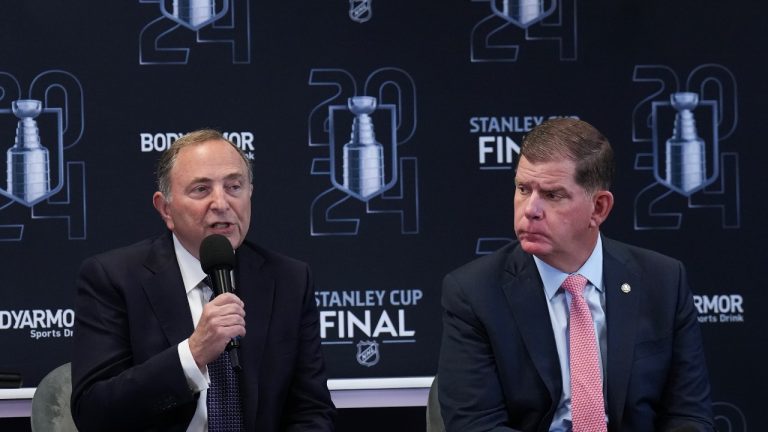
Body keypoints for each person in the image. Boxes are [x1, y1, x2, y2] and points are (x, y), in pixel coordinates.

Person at [437, 118, 714, 432]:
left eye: (553, 195)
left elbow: (689, 415)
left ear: (598, 208)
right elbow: (476, 425)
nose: (530, 209)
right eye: (523, 189)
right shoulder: (474, 293)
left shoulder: (663, 281)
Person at [71, 129, 336, 431]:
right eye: (201, 190)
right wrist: (192, 355)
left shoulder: (289, 279)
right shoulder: (113, 278)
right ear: (165, 209)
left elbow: (311, 411)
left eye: (234, 186)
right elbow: (93, 411)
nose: (222, 203)